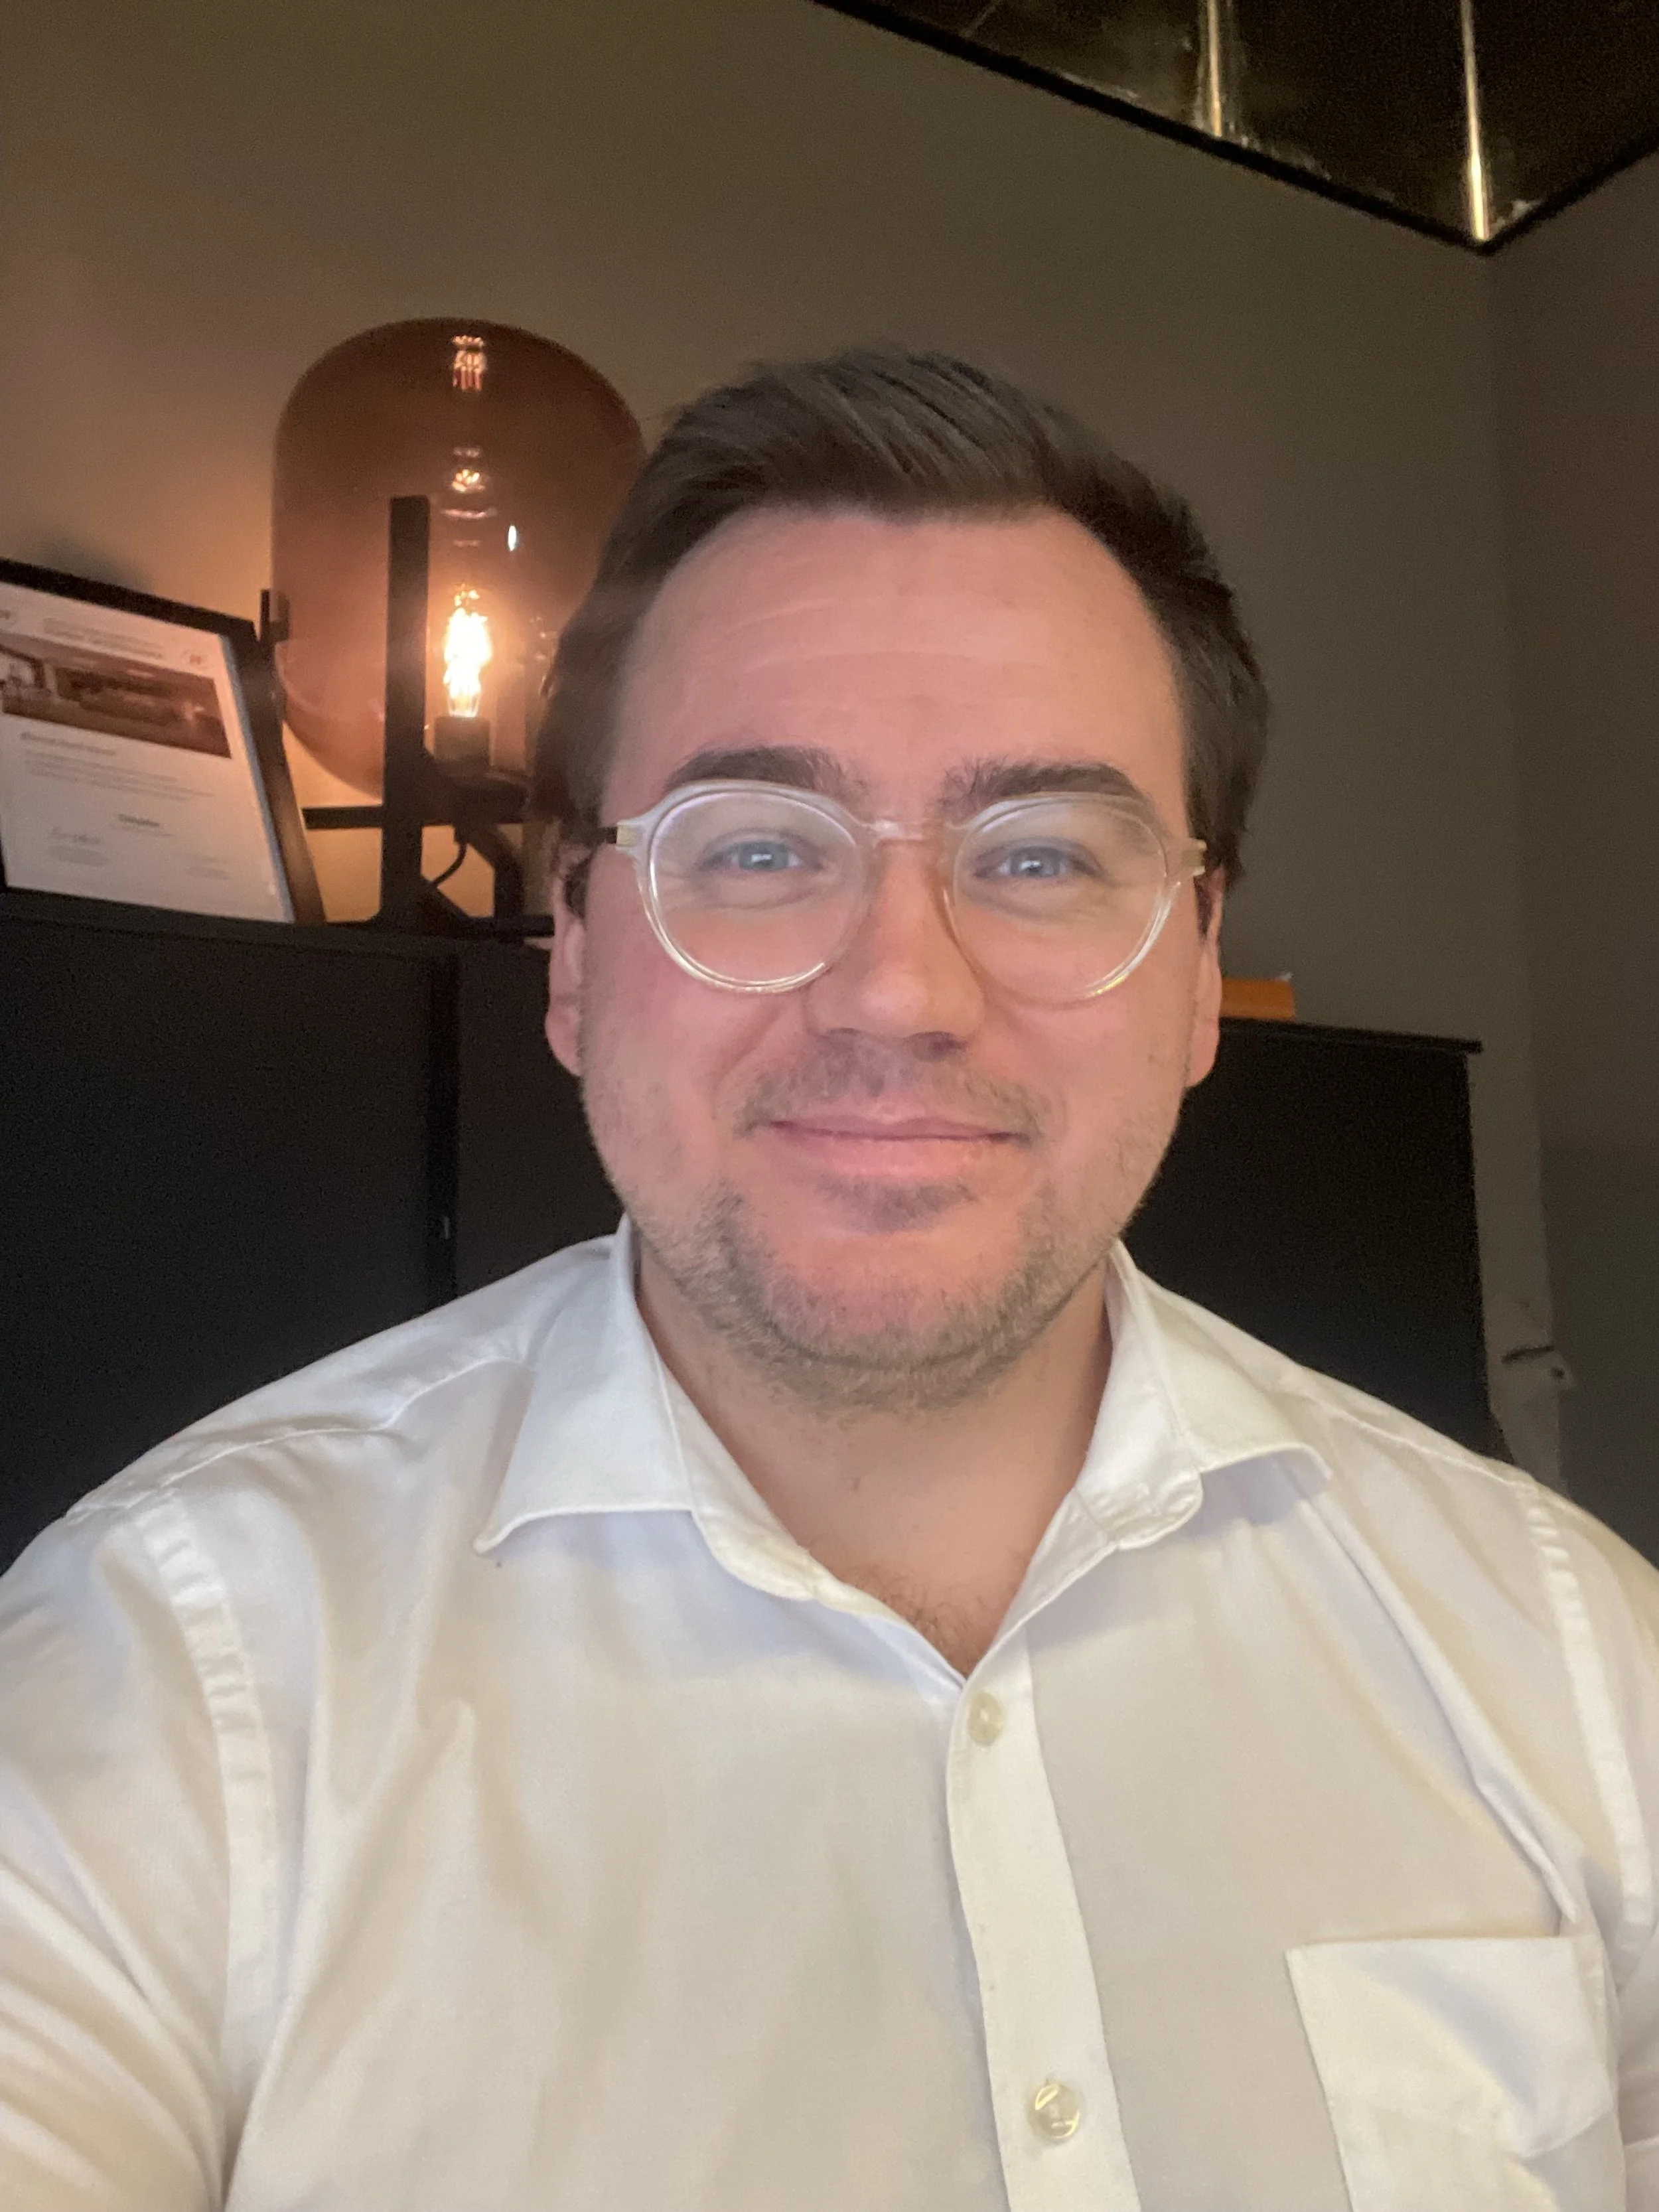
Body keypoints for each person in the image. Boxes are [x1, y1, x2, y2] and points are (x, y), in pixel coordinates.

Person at [1, 349, 1655, 2212]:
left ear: (1197, 969)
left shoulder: (1579, 1659)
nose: (898, 989)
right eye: (760, 847)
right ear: (571, 951)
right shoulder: (166, 1672)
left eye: (1036, 856)